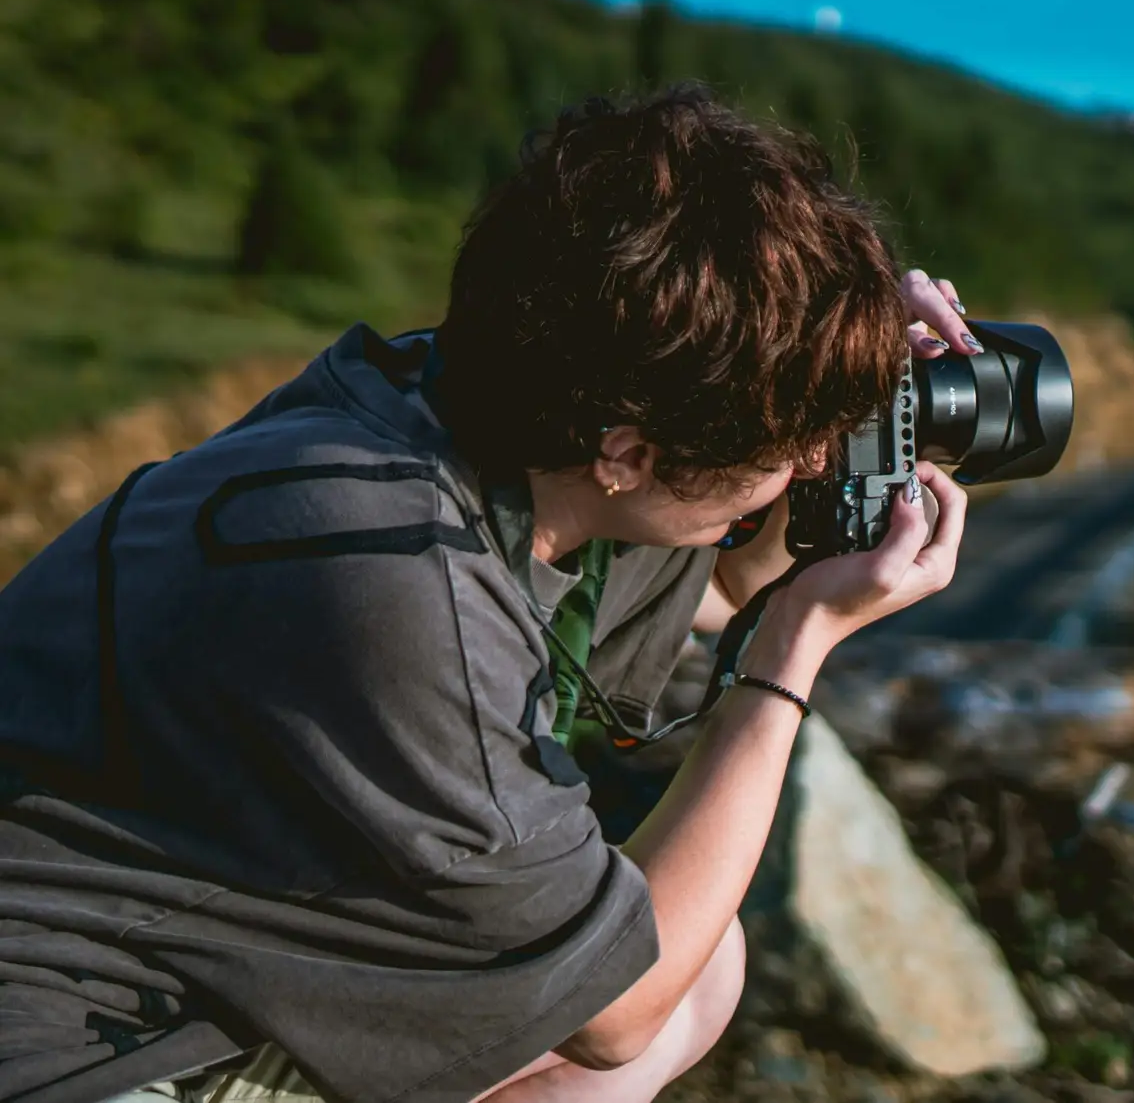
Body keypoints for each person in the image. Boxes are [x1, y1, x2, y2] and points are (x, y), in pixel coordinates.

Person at [0, 87, 982, 1103]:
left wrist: (834, 354)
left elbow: (724, 578)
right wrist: (794, 650)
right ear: (631, 454)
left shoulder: (453, 403)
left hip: (173, 944)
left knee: (701, 953)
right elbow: (615, 1010)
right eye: (795, 446)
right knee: (655, 978)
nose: (815, 457)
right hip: (72, 1041)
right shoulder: (401, 588)